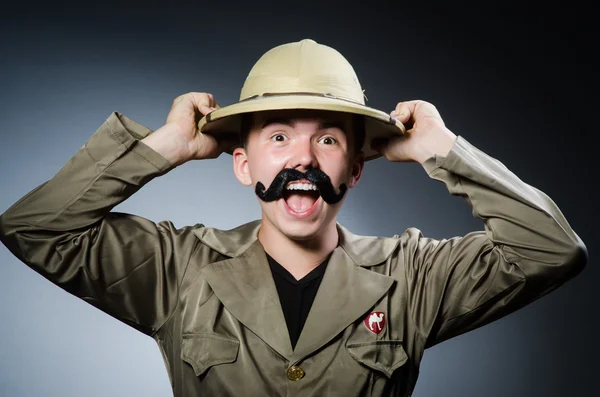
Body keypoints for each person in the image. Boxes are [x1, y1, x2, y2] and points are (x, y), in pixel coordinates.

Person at [0, 39, 587, 397]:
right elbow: (32, 227)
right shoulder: (178, 270)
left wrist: (442, 150)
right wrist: (166, 145)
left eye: (328, 140)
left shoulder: (414, 276)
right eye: (278, 137)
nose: (302, 159)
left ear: (356, 169)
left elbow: (552, 251)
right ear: (241, 163)